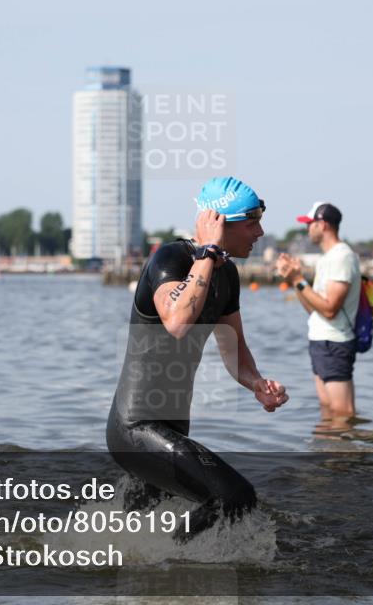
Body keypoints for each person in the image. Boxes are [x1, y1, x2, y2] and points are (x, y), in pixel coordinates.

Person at [107, 176, 288, 542]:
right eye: (251, 222)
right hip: (136, 427)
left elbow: (234, 348)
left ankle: (131, 572)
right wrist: (207, 251)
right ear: (219, 223)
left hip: (173, 428)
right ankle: (172, 567)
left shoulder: (228, 275)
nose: (260, 232)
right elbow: (176, 322)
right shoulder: (171, 259)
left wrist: (256, 383)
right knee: (234, 496)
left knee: (136, 530)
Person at [276, 202, 361, 426]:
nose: (307, 229)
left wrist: (298, 280)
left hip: (335, 342)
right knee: (327, 410)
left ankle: (347, 459)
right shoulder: (327, 258)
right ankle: (326, 458)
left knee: (343, 413)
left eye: (309, 224)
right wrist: (295, 280)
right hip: (321, 341)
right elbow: (315, 310)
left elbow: (330, 309)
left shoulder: (341, 257)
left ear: (322, 225)